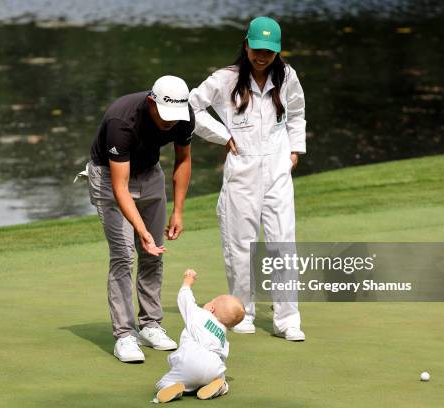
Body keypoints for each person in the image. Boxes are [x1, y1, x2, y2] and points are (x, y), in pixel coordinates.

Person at [188, 16, 307, 341]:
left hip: (277, 169)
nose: (262, 56)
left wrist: (295, 149)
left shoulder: (287, 76)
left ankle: (287, 319)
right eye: (257, 49)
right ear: (246, 45)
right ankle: (242, 311)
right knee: (241, 244)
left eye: (269, 51)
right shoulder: (225, 79)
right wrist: (221, 135)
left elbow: (296, 114)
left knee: (283, 242)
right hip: (241, 170)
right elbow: (191, 107)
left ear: (277, 51)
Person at [87, 75, 194, 362]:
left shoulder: (183, 114)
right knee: (124, 255)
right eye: (165, 114)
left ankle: (150, 325)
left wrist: (179, 211)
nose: (171, 122)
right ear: (151, 103)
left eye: (176, 116)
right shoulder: (121, 121)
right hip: (110, 176)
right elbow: (120, 187)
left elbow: (183, 160)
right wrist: (140, 229)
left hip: (149, 172)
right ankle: (124, 335)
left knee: (154, 253)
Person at [154, 269, 245, 403]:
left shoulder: (199, 314)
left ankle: (173, 387)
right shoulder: (222, 335)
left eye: (211, 301)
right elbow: (222, 358)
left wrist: (188, 281)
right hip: (213, 366)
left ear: (211, 309)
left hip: (189, 361)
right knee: (219, 375)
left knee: (164, 382)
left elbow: (185, 298)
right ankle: (221, 386)